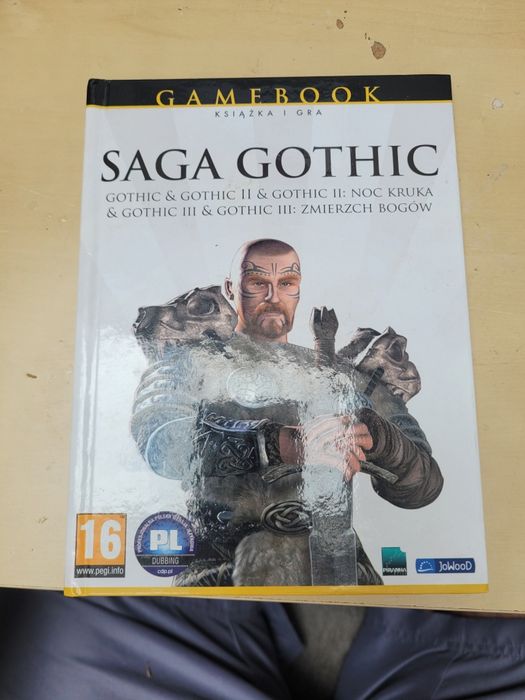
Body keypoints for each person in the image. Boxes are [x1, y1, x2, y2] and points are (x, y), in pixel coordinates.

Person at [131, 238, 443, 586]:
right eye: (257, 282)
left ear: (298, 289)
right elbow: (161, 440)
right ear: (231, 289)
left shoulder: (347, 375)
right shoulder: (191, 361)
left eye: (286, 283)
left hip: (338, 574)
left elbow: (425, 485)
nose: (273, 297)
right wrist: (278, 444)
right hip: (224, 573)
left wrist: (384, 444)